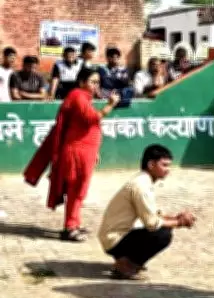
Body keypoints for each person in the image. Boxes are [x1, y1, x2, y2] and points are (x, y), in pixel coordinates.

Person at [23, 68, 120, 242]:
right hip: (76, 153)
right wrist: (110, 105)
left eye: (98, 82)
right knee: (76, 190)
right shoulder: (77, 96)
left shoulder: (84, 98)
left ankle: (74, 224)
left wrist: (94, 151)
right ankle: (69, 228)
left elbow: (85, 128)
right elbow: (92, 119)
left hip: (85, 152)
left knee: (79, 191)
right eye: (92, 82)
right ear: (81, 82)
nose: (95, 85)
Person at [98, 145, 196, 280]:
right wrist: (179, 222)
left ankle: (126, 260)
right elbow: (152, 223)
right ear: (151, 164)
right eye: (164, 165)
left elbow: (154, 213)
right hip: (114, 240)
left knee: (164, 228)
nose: (168, 170)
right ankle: (126, 266)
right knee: (163, 234)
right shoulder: (141, 186)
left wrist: (176, 218)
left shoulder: (143, 180)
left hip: (115, 236)